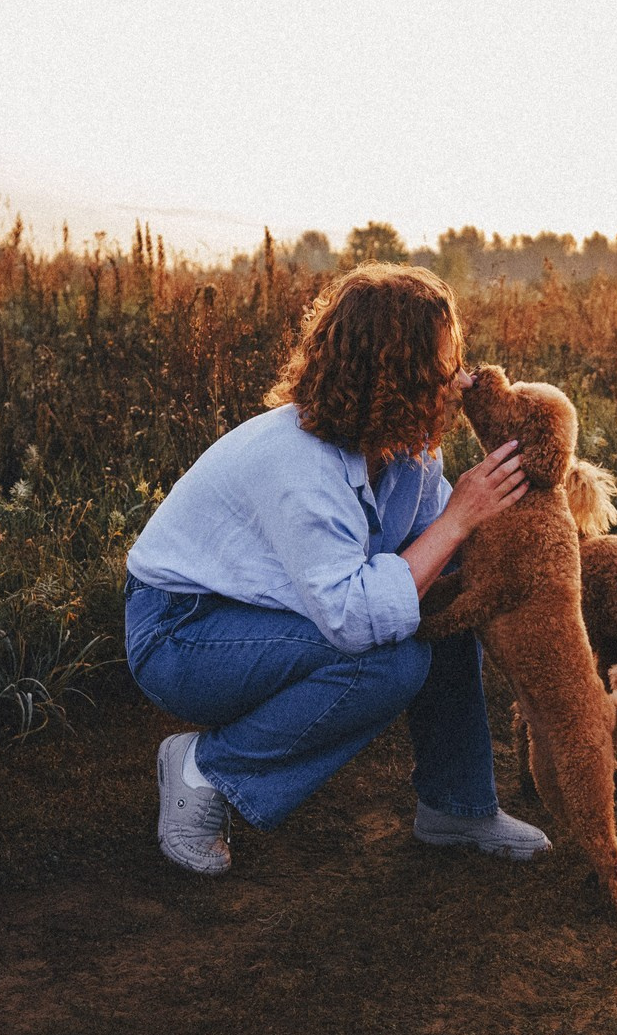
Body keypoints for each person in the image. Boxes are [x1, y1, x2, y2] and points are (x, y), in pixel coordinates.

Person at [122, 262, 546, 875]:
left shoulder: (408, 450)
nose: (461, 381)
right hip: (181, 633)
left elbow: (430, 563)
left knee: (445, 609)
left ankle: (456, 805)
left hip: (264, 613)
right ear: (392, 375)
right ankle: (203, 769)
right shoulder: (297, 464)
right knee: (391, 663)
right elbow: (353, 616)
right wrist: (459, 518)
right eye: (444, 367)